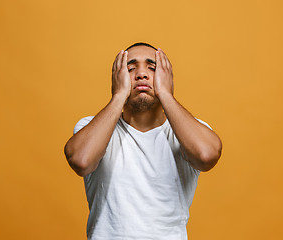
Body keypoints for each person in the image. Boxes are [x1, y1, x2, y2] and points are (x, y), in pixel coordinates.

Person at [64, 42, 222, 239]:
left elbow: (207, 155)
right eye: (130, 68)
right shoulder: (91, 127)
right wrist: (119, 95)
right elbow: (81, 160)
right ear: (116, 78)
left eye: (152, 68)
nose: (141, 74)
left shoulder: (186, 132)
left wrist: (165, 93)